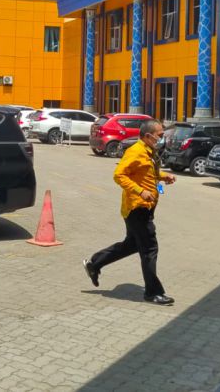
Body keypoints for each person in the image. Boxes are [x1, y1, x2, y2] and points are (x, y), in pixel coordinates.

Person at [82, 119, 177, 305]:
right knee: (149, 249)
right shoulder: (135, 151)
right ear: (148, 136)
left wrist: (164, 177)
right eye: (159, 135)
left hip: (145, 207)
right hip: (137, 208)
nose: (162, 138)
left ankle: (95, 263)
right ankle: (153, 292)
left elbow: (148, 173)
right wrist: (140, 191)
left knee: (132, 244)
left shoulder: (149, 151)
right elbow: (119, 175)